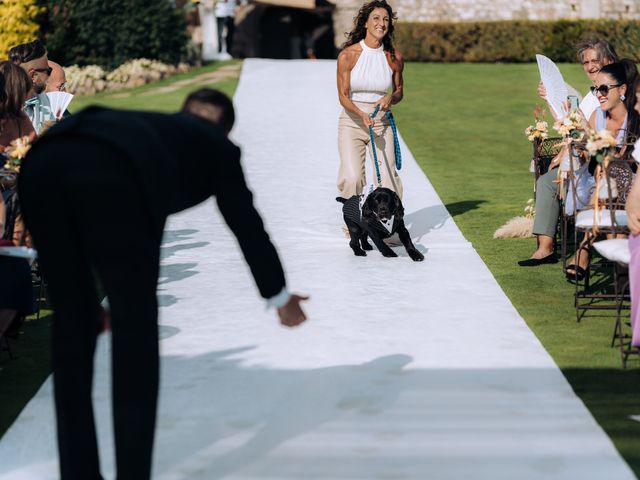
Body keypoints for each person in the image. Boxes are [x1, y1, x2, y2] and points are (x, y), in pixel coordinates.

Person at [18, 88, 309, 480]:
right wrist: (279, 296)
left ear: (185, 111)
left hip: (43, 162)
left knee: (73, 327)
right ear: (225, 130)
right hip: (118, 176)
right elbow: (245, 223)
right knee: (134, 337)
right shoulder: (216, 147)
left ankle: (78, 473)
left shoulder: (154, 127)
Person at [519, 39, 618, 267]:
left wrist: (572, 148)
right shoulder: (591, 95)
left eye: (595, 60)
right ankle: (545, 248)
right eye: (586, 62)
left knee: (552, 180)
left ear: (609, 60)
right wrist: (550, 100)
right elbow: (569, 125)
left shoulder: (612, 95)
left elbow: (591, 133)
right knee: (547, 180)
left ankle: (579, 250)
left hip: (600, 162)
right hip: (583, 156)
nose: (590, 66)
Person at [336, 0, 404, 201]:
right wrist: (361, 114)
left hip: (382, 124)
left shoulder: (394, 58)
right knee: (352, 177)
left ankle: (389, 224)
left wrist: (390, 97)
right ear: (365, 23)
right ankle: (353, 220)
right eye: (376, 18)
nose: (381, 23)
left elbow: (399, 91)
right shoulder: (348, 55)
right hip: (352, 121)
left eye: (385, 19)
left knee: (388, 178)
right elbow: (343, 96)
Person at [8, 39, 57, 133]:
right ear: (33, 75)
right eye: (48, 71)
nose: (49, 76)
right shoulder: (5, 106)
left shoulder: (43, 98)